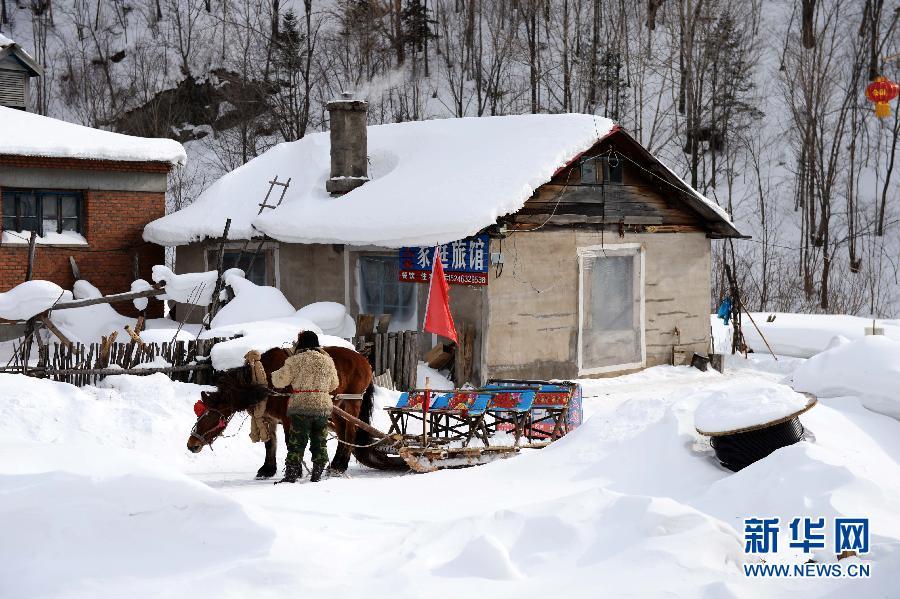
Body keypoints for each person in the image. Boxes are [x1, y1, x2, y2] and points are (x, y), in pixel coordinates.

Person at [271, 331, 340, 484]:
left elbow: (279, 381)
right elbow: (334, 384)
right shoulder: (327, 361)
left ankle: (291, 475)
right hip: (322, 407)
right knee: (320, 440)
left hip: (301, 406)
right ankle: (317, 473)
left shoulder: (294, 361)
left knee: (297, 441)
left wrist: (274, 374)